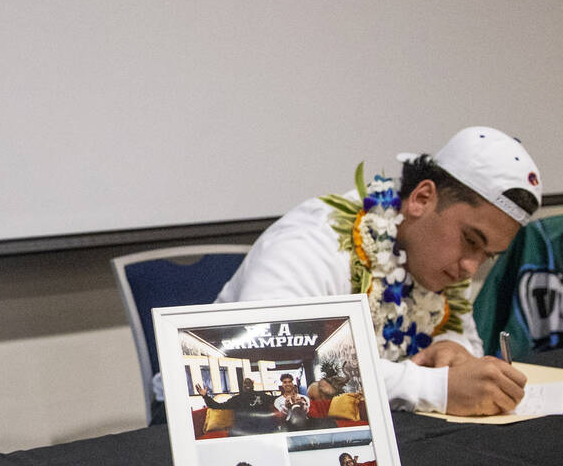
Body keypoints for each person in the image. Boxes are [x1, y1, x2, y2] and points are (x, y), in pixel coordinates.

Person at [218, 127, 542, 416]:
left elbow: (463, 351)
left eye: (488, 256)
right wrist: (432, 388)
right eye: (470, 240)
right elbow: (272, 366)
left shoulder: (437, 265)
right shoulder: (313, 243)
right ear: (422, 199)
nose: (471, 268)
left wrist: (453, 353)